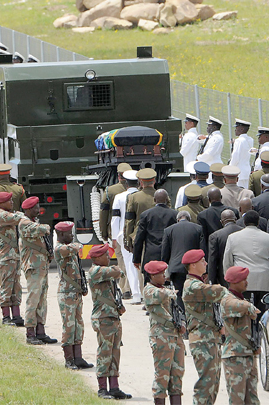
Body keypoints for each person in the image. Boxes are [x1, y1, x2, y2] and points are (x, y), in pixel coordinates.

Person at [182, 249, 228, 405]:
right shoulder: (192, 285)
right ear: (193, 265)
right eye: (203, 261)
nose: (206, 263)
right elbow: (216, 292)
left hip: (210, 338)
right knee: (205, 383)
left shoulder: (200, 282)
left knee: (213, 383)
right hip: (202, 340)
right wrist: (227, 289)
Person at [87, 243, 131, 400]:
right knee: (104, 353)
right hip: (103, 318)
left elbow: (118, 273)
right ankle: (102, 388)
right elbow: (117, 271)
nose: (108, 257)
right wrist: (117, 270)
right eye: (106, 255)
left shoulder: (104, 272)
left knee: (115, 353)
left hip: (112, 317)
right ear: (97, 258)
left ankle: (114, 387)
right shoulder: (95, 271)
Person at [223, 210, 269, 312]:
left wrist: (230, 282)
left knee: (243, 312)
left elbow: (227, 262)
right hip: (264, 281)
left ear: (244, 222)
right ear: (258, 222)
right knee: (261, 313)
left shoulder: (232, 238)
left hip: (242, 280)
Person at [142, 259, 184, 405]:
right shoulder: (149, 290)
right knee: (162, 374)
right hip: (161, 336)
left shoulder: (164, 288)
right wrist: (171, 292)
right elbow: (159, 295)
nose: (164, 277)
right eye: (161, 274)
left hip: (174, 335)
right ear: (152, 276)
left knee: (177, 373)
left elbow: (175, 310)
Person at [54, 221, 93, 371]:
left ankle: (78, 357)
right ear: (61, 235)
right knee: (69, 326)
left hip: (75, 292)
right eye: (69, 233)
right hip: (66, 293)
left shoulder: (69, 249)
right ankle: (68, 359)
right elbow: (75, 247)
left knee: (78, 325)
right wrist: (78, 245)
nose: (72, 236)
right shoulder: (60, 249)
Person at [220, 266, 260, 405]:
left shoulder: (240, 299)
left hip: (247, 355)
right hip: (234, 357)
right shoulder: (227, 300)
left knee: (253, 400)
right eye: (244, 280)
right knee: (237, 400)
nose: (246, 282)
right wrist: (251, 307)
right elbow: (240, 306)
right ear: (234, 282)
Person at [19, 196, 56, 345]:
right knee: (33, 300)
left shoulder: (33, 221)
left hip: (41, 266)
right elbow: (41, 230)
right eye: (35, 207)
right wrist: (47, 228)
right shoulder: (24, 223)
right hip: (33, 266)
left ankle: (40, 331)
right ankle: (30, 332)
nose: (38, 209)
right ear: (28, 209)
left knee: (42, 300)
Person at [161, 209, 204, 314]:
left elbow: (165, 252)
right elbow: (202, 250)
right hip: (194, 268)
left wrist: (165, 269)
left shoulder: (168, 230)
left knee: (179, 294)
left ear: (177, 219)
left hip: (176, 267)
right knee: (194, 293)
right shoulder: (198, 229)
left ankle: (182, 318)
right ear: (189, 219)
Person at [0, 191, 26, 326]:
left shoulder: (7, 214)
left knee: (16, 287)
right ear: (1, 203)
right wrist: (20, 214)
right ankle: (6, 316)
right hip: (6, 257)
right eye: (9, 201)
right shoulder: (2, 215)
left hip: (13, 256)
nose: (12, 203)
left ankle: (16, 315)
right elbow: (19, 218)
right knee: (7, 287)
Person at [133, 189, 177, 276]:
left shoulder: (146, 215)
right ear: (167, 200)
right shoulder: (174, 214)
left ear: (154, 200)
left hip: (150, 254)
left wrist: (136, 259)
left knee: (149, 283)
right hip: (168, 254)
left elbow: (139, 238)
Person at [112, 170, 140, 303]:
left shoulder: (119, 197)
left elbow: (115, 219)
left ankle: (136, 294)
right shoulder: (141, 196)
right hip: (140, 234)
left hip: (123, 235)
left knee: (129, 263)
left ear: (125, 183)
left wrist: (114, 237)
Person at [196, 186, 238, 254]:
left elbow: (203, 238)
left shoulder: (202, 215)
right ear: (221, 197)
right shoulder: (233, 212)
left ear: (209, 200)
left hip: (212, 249)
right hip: (232, 248)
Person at [207, 209, 241, 287]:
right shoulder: (244, 232)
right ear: (235, 219)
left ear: (221, 222)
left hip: (224, 277)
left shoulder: (216, 236)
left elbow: (213, 260)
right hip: (242, 274)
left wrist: (211, 281)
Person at [228, 119, 253, 188]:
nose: (235, 130)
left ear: (242, 129)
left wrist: (230, 168)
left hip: (238, 171)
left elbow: (235, 157)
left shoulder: (239, 141)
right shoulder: (250, 140)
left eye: (237, 128)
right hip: (246, 170)